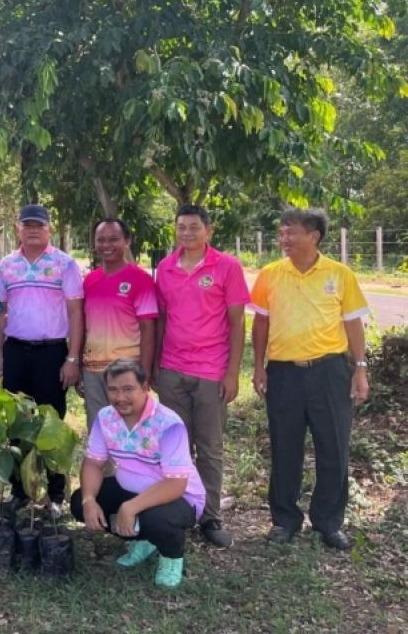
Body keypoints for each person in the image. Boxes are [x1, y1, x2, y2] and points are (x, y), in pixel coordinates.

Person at [251, 208, 370, 550]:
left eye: (291, 232)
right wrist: (258, 366)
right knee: (284, 447)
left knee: (333, 446)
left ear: (313, 236)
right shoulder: (270, 274)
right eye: (281, 232)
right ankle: (284, 520)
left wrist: (360, 368)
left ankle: (329, 522)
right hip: (283, 373)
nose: (283, 239)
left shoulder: (340, 274)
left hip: (330, 372)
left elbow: (353, 324)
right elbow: (261, 323)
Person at [155, 204, 249, 548]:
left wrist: (232, 373)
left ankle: (210, 517)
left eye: (194, 227)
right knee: (175, 446)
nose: (187, 233)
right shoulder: (165, 268)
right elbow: (162, 319)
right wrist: (155, 367)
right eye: (181, 227)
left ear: (208, 231)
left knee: (209, 448)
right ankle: (179, 511)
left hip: (211, 371)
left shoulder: (227, 266)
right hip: (172, 369)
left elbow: (237, 323)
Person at [70, 359, 205, 589]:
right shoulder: (105, 417)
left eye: (128, 389)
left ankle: (171, 556)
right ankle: (144, 540)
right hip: (132, 489)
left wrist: (131, 507)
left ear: (145, 388)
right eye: (113, 389)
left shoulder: (168, 423)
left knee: (154, 519)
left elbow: (175, 484)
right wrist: (89, 500)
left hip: (180, 497)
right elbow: (93, 462)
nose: (120, 397)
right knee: (78, 502)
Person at [0, 203, 83, 503]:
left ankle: (56, 494)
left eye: (39, 225)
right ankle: (20, 492)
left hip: (52, 353)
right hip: (15, 351)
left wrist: (73, 358)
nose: (33, 230)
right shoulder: (6, 265)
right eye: (27, 225)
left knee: (52, 421)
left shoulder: (65, 264)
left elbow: (77, 313)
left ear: (49, 229)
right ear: (17, 229)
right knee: (17, 421)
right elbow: (2, 312)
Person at [80, 218, 158, 430]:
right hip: (94, 370)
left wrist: (144, 373)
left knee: (130, 433)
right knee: (99, 430)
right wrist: (80, 367)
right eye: (101, 240)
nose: (106, 245)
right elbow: (84, 326)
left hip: (127, 370)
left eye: (113, 239)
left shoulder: (141, 280)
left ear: (127, 241)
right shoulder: (89, 281)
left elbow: (148, 330)